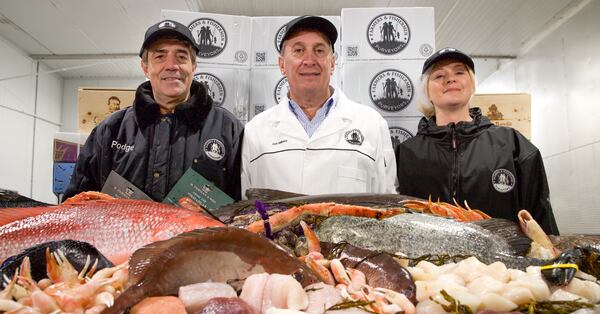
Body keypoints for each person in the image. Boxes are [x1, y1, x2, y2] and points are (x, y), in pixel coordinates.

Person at [64, 19, 244, 202]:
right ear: (145, 67)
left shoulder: (228, 129)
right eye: (160, 56)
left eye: (181, 57)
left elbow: (244, 206)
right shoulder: (111, 130)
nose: (171, 65)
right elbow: (76, 203)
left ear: (193, 67)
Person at [396, 47, 559, 234]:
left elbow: (541, 219)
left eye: (459, 72)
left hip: (503, 262)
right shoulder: (407, 153)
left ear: (472, 85)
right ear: (427, 92)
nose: (451, 78)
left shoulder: (513, 145)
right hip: (428, 263)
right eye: (439, 76)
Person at [241, 16, 396, 197]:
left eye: (319, 50)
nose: (309, 60)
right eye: (298, 50)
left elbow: (388, 202)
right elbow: (247, 206)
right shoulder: (256, 130)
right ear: (282, 64)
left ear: (332, 63)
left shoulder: (371, 124)